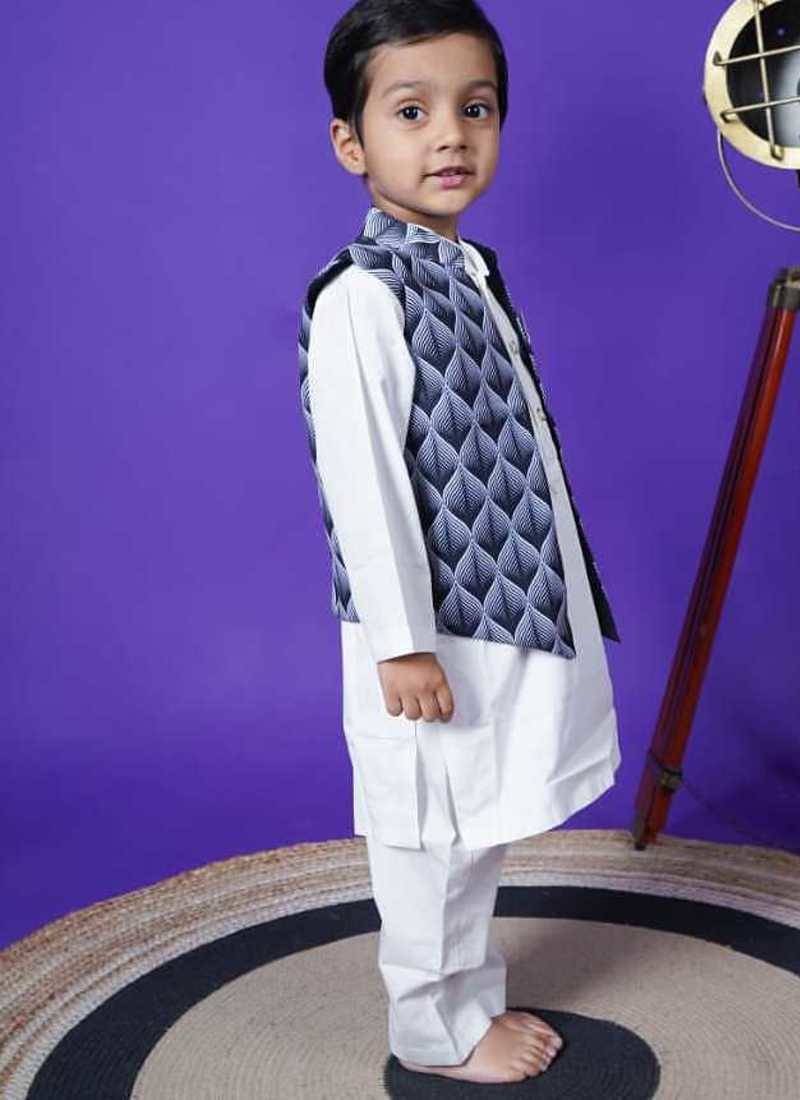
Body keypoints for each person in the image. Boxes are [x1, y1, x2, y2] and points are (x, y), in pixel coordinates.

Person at [297, 0, 622, 1085]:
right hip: (423, 631)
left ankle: (467, 994)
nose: (449, 135)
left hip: (483, 615)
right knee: (427, 830)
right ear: (350, 142)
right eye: (411, 111)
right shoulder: (360, 298)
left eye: (474, 109)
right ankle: (433, 1028)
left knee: (469, 818)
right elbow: (364, 484)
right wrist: (399, 642)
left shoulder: (463, 268)